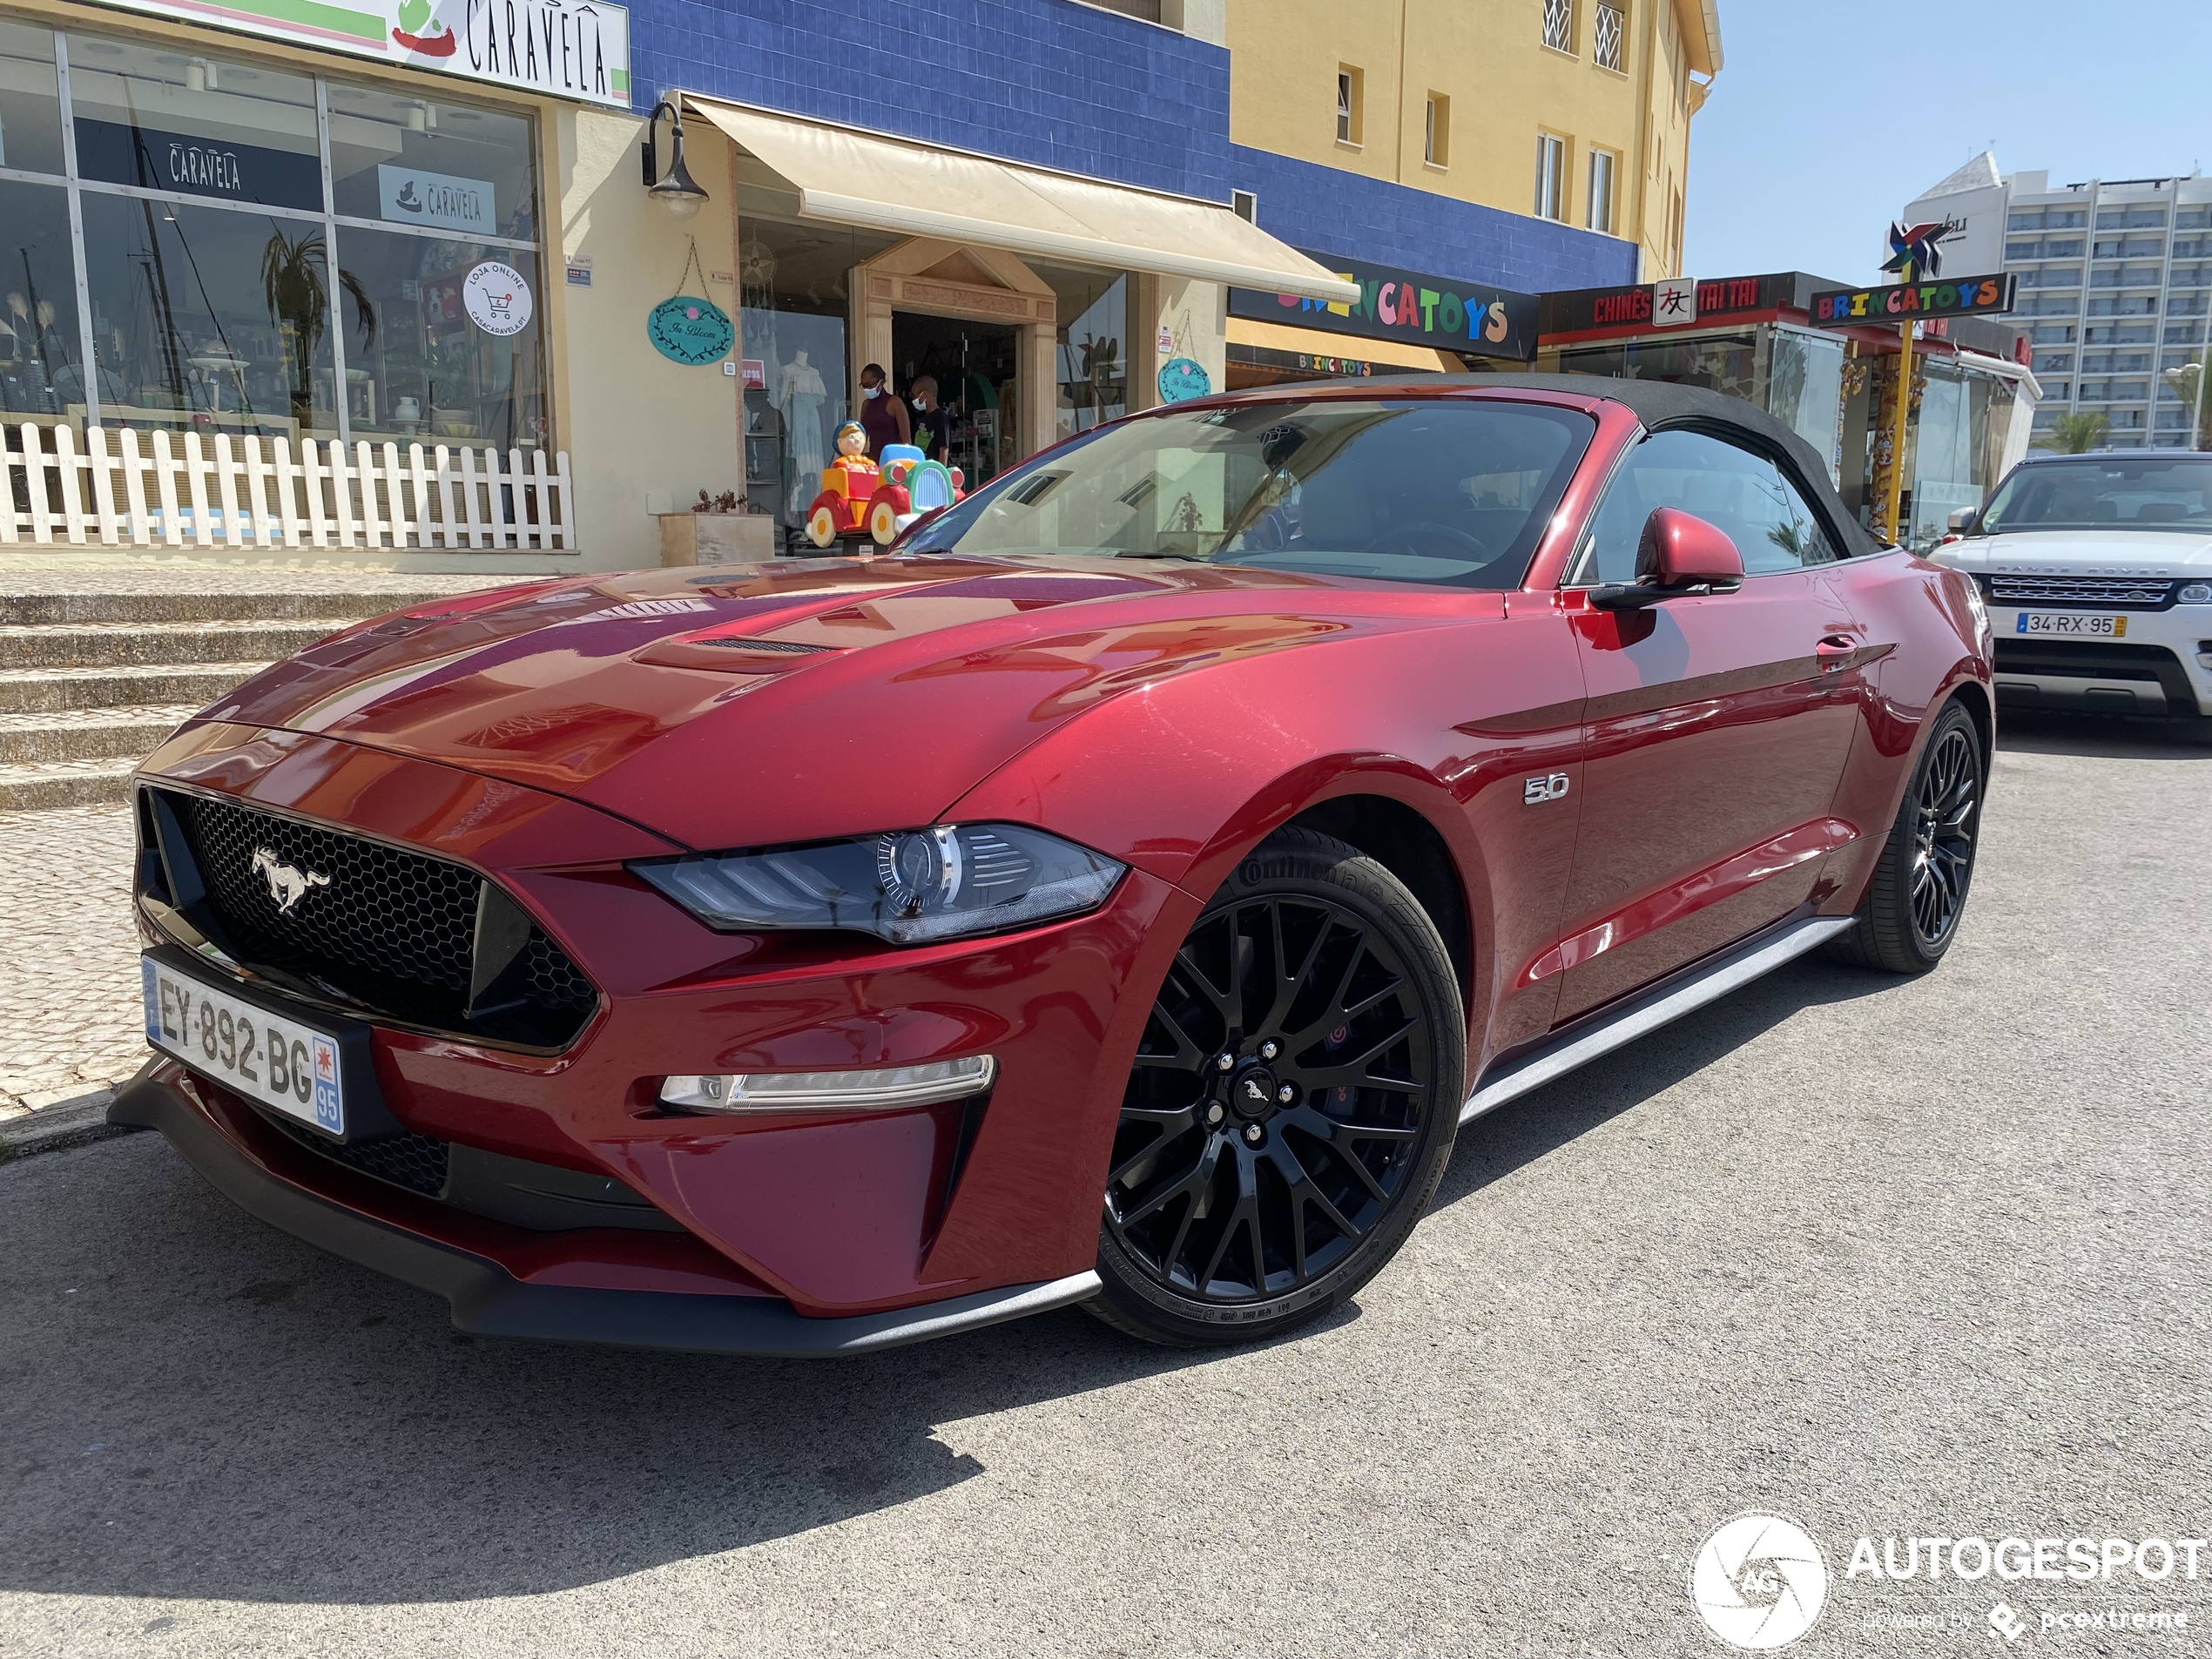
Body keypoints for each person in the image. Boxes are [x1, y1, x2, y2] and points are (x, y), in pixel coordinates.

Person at [857, 362, 908, 458]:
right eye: (864, 386)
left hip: (892, 459)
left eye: (870, 385)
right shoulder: (866, 404)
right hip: (873, 459)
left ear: (881, 382)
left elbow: (906, 440)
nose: (867, 389)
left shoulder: (895, 402)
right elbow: (863, 437)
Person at [908, 374, 948, 462]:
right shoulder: (923, 417)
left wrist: (940, 473)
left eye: (914, 396)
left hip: (934, 469)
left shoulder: (940, 417)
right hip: (922, 467)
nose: (913, 400)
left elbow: (944, 448)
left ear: (924, 394)